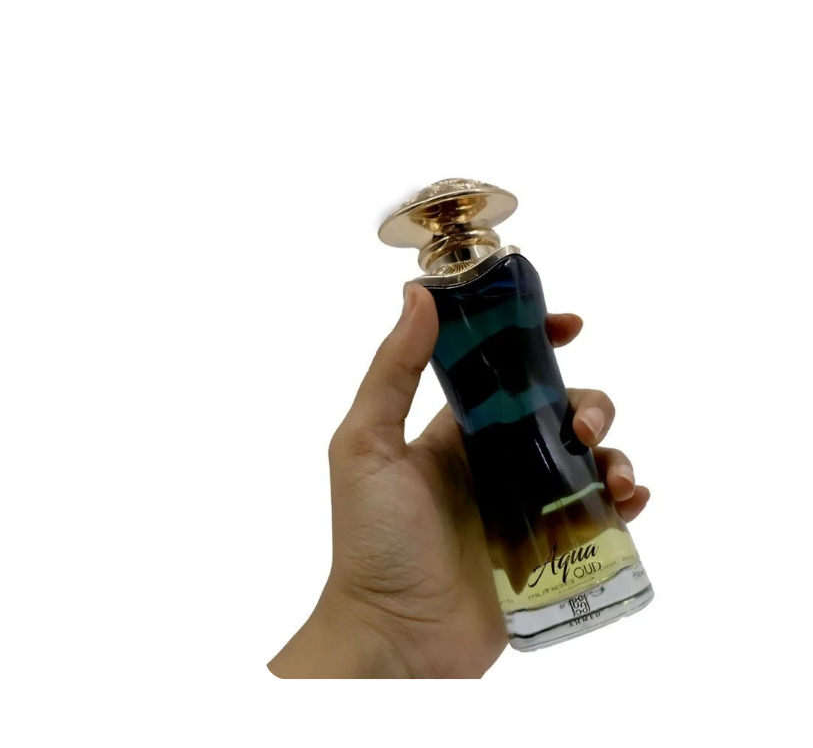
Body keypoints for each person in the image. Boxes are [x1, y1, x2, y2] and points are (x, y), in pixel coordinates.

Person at [268, 283, 651, 678]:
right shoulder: (465, 296)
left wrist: (385, 628)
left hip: (484, 583)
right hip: (478, 574)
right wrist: (382, 619)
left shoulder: (495, 284)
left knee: (568, 423)